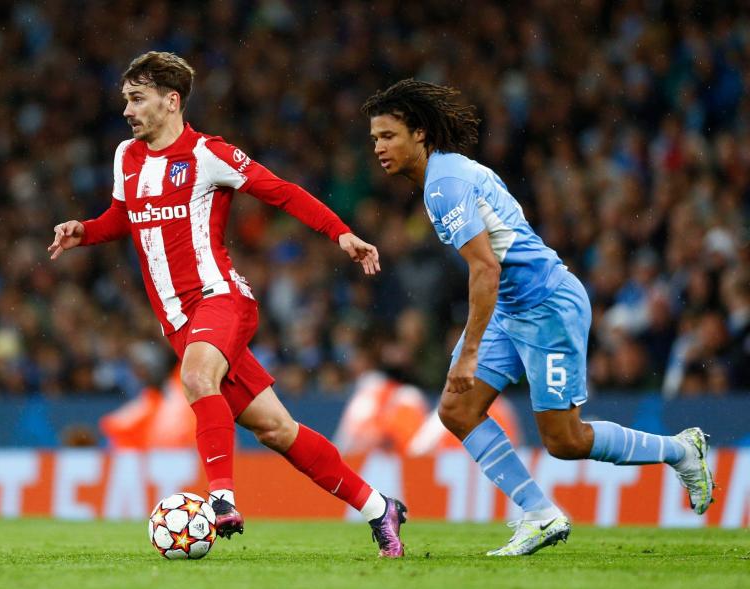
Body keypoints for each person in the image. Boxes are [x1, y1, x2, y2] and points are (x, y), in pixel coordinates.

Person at [49, 52, 406, 556]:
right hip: (177, 321)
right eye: (125, 99)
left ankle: (220, 499)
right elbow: (122, 217)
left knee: (196, 379)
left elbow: (281, 192)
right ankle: (378, 508)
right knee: (276, 429)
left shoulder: (207, 154)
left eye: (136, 99)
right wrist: (83, 230)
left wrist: (341, 233)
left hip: (221, 299)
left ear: (171, 102)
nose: (127, 110)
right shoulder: (125, 157)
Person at [361, 80, 714, 556]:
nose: (379, 148)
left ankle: (681, 450)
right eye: (375, 138)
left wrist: (467, 354)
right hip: (512, 306)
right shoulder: (451, 173)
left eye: (388, 136)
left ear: (420, 134)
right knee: (457, 409)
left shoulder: (445, 185)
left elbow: (486, 267)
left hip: (547, 306)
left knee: (565, 441)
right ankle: (540, 514)